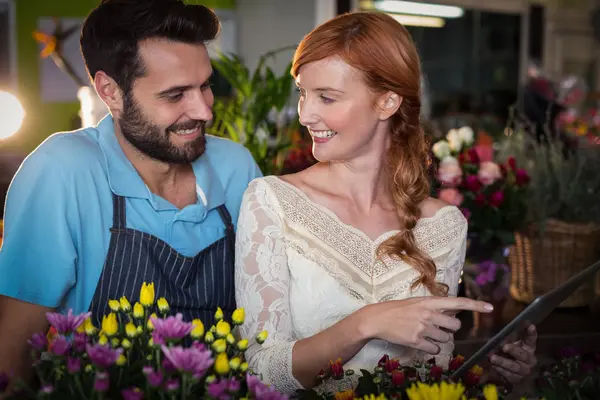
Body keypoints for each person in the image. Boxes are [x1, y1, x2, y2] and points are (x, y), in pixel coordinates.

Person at [234, 11, 537, 395]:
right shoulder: (271, 202)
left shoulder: (444, 225)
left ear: (388, 102)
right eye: (302, 93)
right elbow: (261, 373)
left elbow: (432, 374)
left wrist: (494, 374)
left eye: (326, 96)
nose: (306, 114)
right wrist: (366, 323)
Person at [0, 0, 261, 383]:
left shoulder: (236, 166)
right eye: (175, 95)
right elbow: (10, 360)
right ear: (111, 92)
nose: (205, 110)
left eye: (204, 85)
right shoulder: (65, 170)